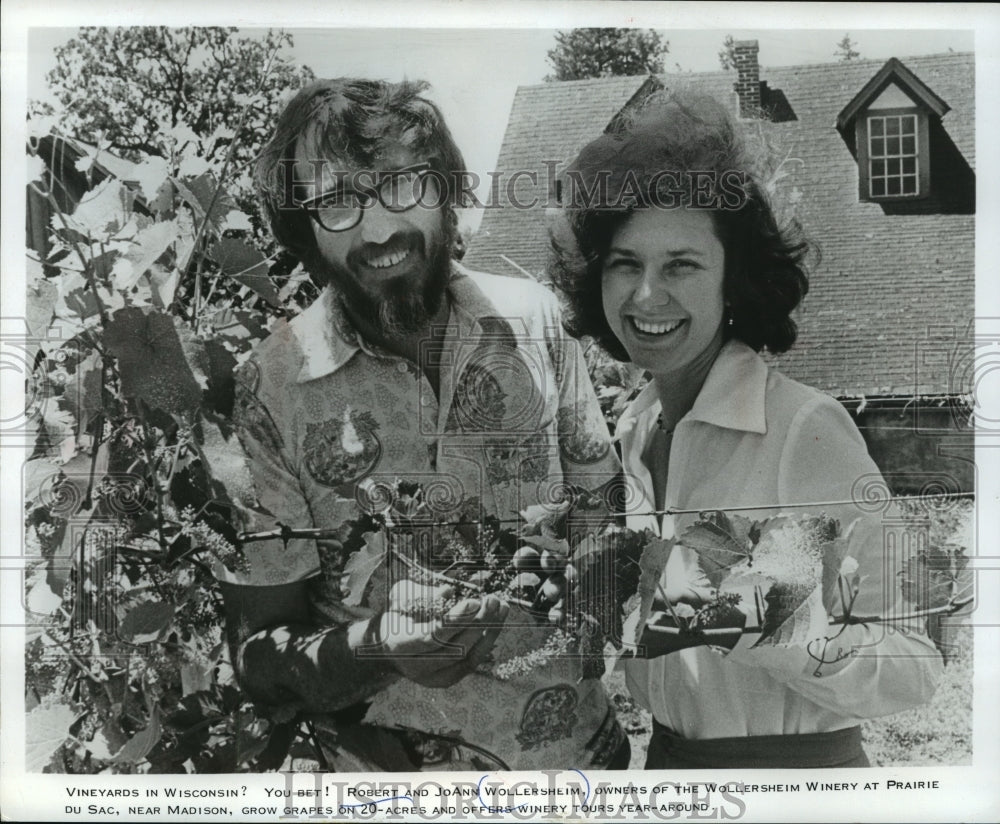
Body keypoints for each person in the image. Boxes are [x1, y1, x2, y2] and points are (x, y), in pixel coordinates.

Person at [214, 78, 628, 771]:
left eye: (401, 184)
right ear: (303, 229)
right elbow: (259, 656)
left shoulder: (535, 323)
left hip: (582, 769)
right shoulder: (271, 388)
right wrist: (373, 647)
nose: (379, 230)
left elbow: (604, 512)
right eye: (338, 201)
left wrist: (583, 583)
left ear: (444, 187)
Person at [549, 90, 943, 769]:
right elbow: (661, 630)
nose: (647, 296)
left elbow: (916, 663)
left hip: (795, 788)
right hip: (669, 775)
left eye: (681, 265)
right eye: (625, 263)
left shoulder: (802, 428)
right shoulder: (634, 431)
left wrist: (742, 614)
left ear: (735, 279)